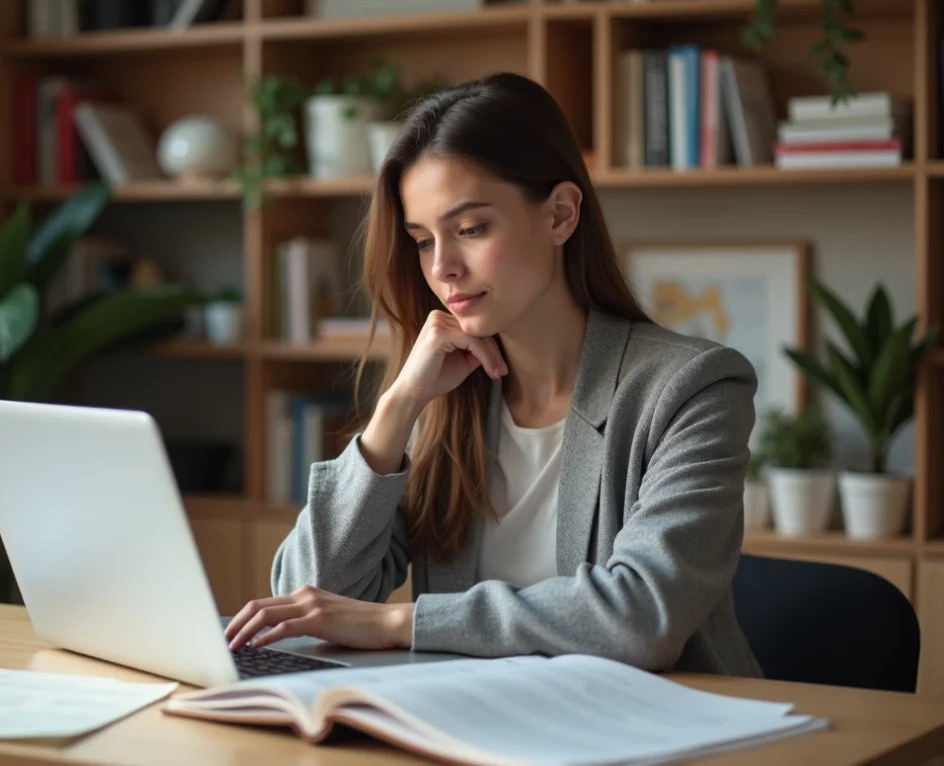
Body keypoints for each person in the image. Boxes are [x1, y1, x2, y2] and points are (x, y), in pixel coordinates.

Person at [223, 71, 763, 678]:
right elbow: (310, 598)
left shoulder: (693, 388)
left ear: (560, 214)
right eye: (423, 241)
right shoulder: (443, 397)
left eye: (471, 229)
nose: (443, 268)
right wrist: (397, 407)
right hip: (470, 716)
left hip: (655, 720)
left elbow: (640, 617)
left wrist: (400, 623)